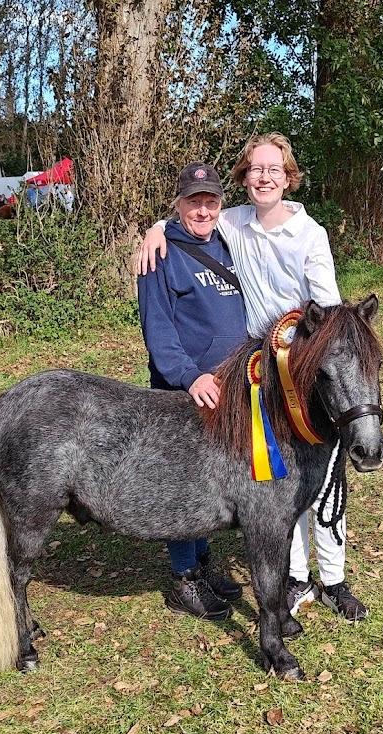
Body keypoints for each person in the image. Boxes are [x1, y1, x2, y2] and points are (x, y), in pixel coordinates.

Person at [139, 134, 370, 622]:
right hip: (233, 377)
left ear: (288, 177)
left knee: (313, 475)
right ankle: (205, 575)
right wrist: (156, 228)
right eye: (255, 170)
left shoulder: (299, 233)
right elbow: (188, 224)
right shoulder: (227, 225)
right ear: (245, 178)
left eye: (274, 170)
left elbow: (327, 306)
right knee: (230, 477)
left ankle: (331, 577)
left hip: (293, 372)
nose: (264, 177)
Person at [138, 162, 249, 620]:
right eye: (193, 202)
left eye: (210, 201)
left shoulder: (230, 243)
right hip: (185, 391)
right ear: (178, 204)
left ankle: (203, 565)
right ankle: (184, 578)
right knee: (181, 486)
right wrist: (189, 376)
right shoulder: (160, 255)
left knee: (212, 482)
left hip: (232, 389)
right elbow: (158, 328)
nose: (202, 211)